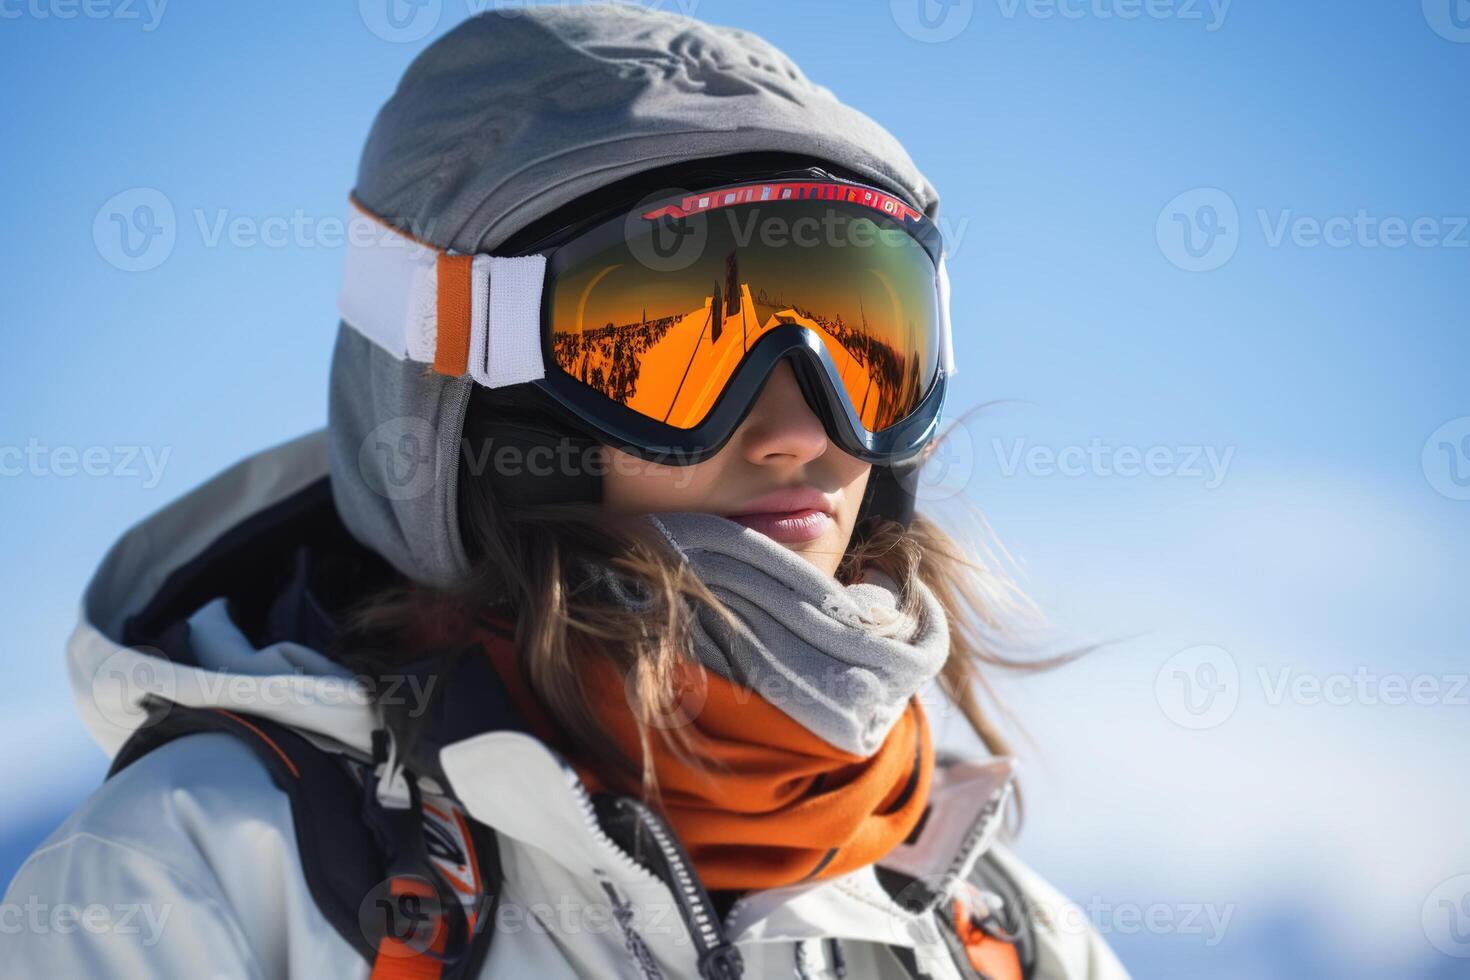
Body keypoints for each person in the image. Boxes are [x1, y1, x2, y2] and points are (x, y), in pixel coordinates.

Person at [2, 6, 1129, 978]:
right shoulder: (200, 875)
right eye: (674, 347)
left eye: (865, 344)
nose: (798, 432)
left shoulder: (1001, 936)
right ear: (477, 405)